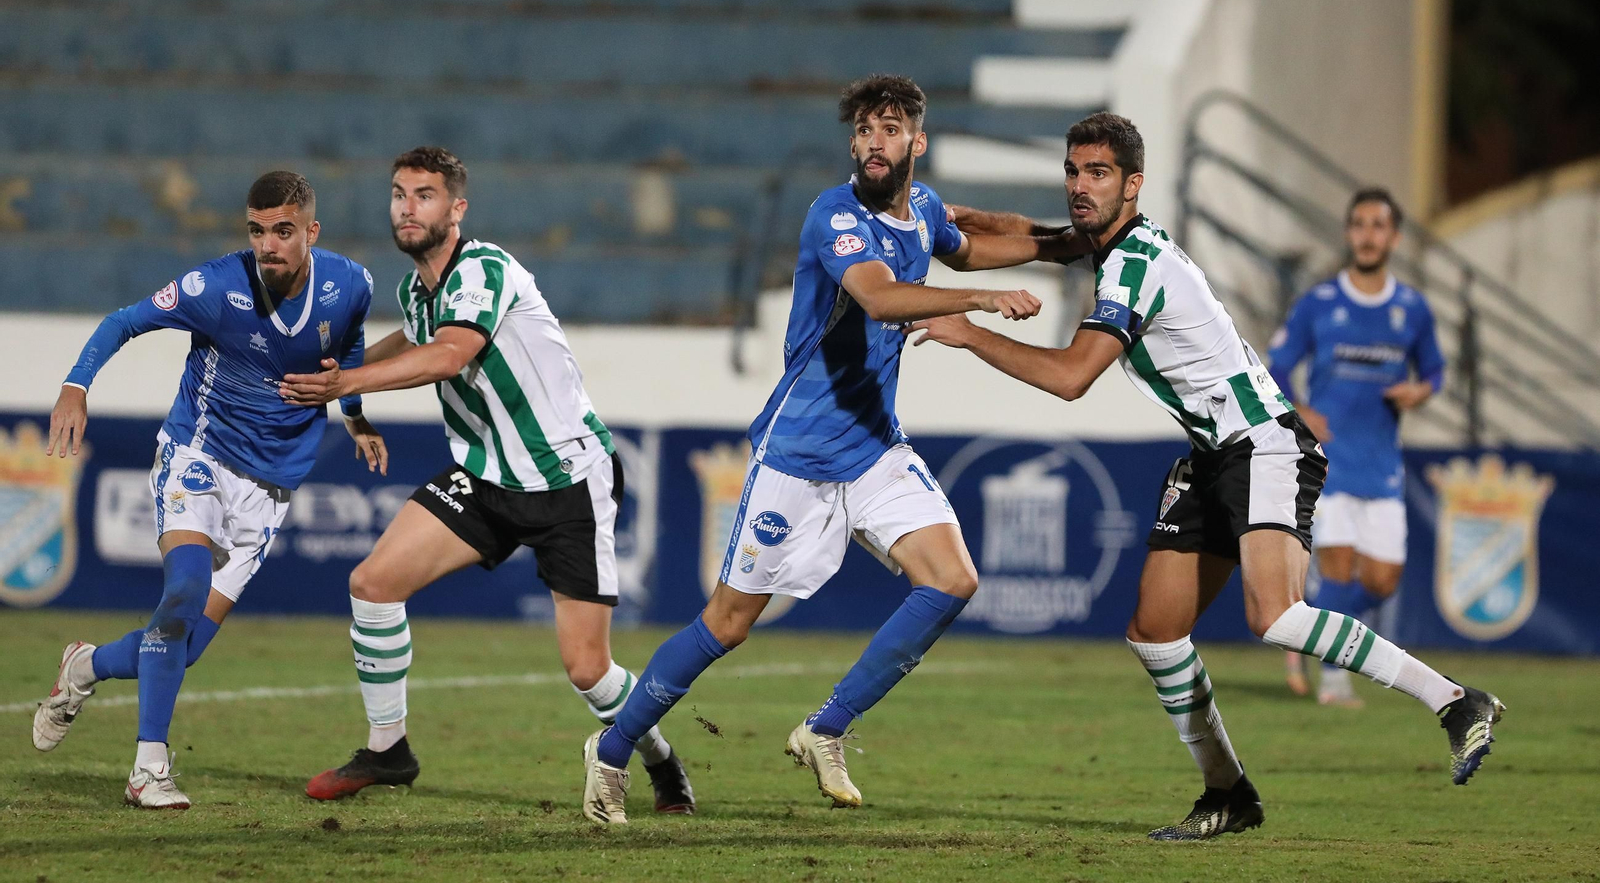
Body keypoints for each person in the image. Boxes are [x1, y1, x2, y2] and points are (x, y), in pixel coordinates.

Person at [912, 113, 1504, 841]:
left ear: (1133, 184)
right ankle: (1228, 793)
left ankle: (1455, 700)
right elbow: (1022, 239)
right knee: (1156, 632)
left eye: (1097, 173)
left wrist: (969, 331)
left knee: (1275, 615)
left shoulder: (1133, 266)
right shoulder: (1106, 241)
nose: (1079, 186)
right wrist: (942, 216)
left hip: (1264, 444)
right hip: (1212, 454)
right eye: (1072, 171)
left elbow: (1071, 378)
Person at [576, 74, 1075, 825]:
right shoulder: (834, 215)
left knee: (952, 579)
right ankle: (611, 752)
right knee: (727, 624)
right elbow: (880, 295)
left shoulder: (922, 209)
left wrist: (1067, 244)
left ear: (917, 141)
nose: (874, 142)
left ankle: (826, 727)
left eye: (890, 129)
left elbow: (971, 242)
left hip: (874, 448)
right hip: (798, 456)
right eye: (864, 130)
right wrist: (979, 301)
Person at [280, 147, 694, 814]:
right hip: (485, 477)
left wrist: (345, 382)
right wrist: (345, 386)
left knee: (589, 670)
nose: (407, 207)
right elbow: (412, 338)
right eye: (398, 194)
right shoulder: (415, 292)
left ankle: (661, 760)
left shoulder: (484, 268)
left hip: (564, 478)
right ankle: (388, 749)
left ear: (457, 209)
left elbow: (449, 355)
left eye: (424, 195)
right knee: (373, 584)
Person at [35, 172, 385, 809]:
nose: (268, 244)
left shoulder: (351, 284)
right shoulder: (215, 286)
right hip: (199, 455)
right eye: (257, 230)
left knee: (184, 647)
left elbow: (349, 347)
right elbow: (123, 321)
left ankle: (84, 665)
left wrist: (355, 414)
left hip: (270, 487)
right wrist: (75, 386)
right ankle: (148, 769)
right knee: (185, 589)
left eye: (283, 231)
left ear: (311, 232)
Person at [1267, 188, 1444, 706]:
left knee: (1383, 581)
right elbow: (1277, 367)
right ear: (1348, 233)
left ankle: (1307, 627)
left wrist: (1420, 391)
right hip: (1331, 462)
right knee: (1340, 568)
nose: (1368, 235)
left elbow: (1435, 370)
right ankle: (1335, 681)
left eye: (1378, 226)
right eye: (1360, 224)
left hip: (1382, 463)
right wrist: (1301, 410)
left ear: (1394, 238)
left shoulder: (1412, 309)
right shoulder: (1319, 303)